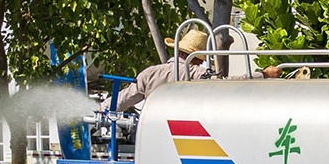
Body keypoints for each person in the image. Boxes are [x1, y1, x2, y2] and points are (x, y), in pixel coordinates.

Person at [116, 29, 282, 112]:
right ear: (198, 58)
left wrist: (100, 108)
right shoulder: (196, 74)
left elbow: (123, 99)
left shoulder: (149, 73)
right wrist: (263, 74)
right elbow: (229, 84)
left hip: (154, 132)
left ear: (177, 50)